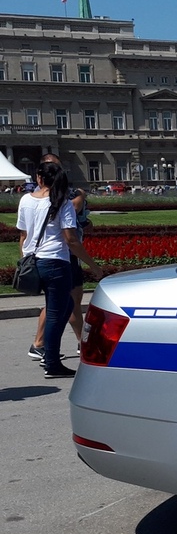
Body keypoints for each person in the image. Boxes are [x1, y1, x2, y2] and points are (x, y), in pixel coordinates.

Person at [16, 161, 103, 378]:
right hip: (56, 262)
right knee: (58, 312)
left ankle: (49, 354)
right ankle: (52, 362)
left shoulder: (26, 200)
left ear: (38, 179)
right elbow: (71, 239)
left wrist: (25, 259)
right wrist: (94, 266)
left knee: (62, 309)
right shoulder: (62, 202)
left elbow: (23, 235)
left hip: (36, 260)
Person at [29, 154, 89, 361]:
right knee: (66, 301)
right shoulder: (56, 198)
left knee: (62, 301)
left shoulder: (39, 197)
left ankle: (44, 345)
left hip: (52, 256)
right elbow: (71, 232)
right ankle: (57, 347)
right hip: (61, 256)